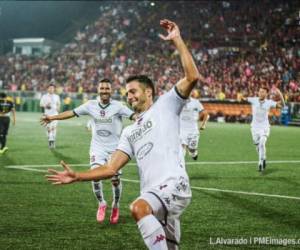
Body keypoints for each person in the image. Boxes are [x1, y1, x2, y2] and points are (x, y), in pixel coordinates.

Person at [47, 19, 202, 250]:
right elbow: (110, 168)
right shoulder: (129, 131)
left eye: (133, 91)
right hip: (153, 193)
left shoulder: (166, 105)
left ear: (148, 92)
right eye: (126, 93)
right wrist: (78, 176)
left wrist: (177, 39)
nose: (128, 96)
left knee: (138, 208)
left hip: (172, 186)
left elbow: (192, 77)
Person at [41, 79, 135, 224]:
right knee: (95, 176)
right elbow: (71, 113)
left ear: (111, 90)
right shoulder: (90, 105)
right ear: (98, 90)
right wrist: (52, 117)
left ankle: (115, 205)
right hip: (97, 148)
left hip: (116, 149)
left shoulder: (118, 106)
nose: (104, 90)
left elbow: (134, 116)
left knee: (115, 180)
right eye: (102, 88)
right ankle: (102, 203)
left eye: (107, 88)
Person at [243, 86, 285, 172]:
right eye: (260, 91)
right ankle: (264, 157)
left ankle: (260, 163)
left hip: (264, 127)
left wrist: (280, 94)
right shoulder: (253, 100)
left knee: (262, 142)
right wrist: (242, 96)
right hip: (254, 127)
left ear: (266, 94)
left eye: (262, 92)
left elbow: (282, 105)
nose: (260, 93)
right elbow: (242, 99)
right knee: (258, 146)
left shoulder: (269, 102)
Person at [180, 89, 209, 160]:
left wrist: (203, 125)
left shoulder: (196, 103)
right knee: (181, 149)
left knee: (192, 149)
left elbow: (206, 114)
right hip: (181, 130)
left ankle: (193, 153)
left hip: (193, 131)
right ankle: (180, 166)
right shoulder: (178, 102)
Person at [40, 84, 61, 149]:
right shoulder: (44, 96)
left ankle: (53, 141)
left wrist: (58, 108)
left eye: (52, 88)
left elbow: (58, 103)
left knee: (54, 128)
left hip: (55, 114)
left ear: (54, 89)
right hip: (47, 115)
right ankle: (50, 140)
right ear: (47, 89)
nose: (51, 89)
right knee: (48, 129)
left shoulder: (56, 96)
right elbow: (41, 104)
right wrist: (46, 105)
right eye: (50, 88)